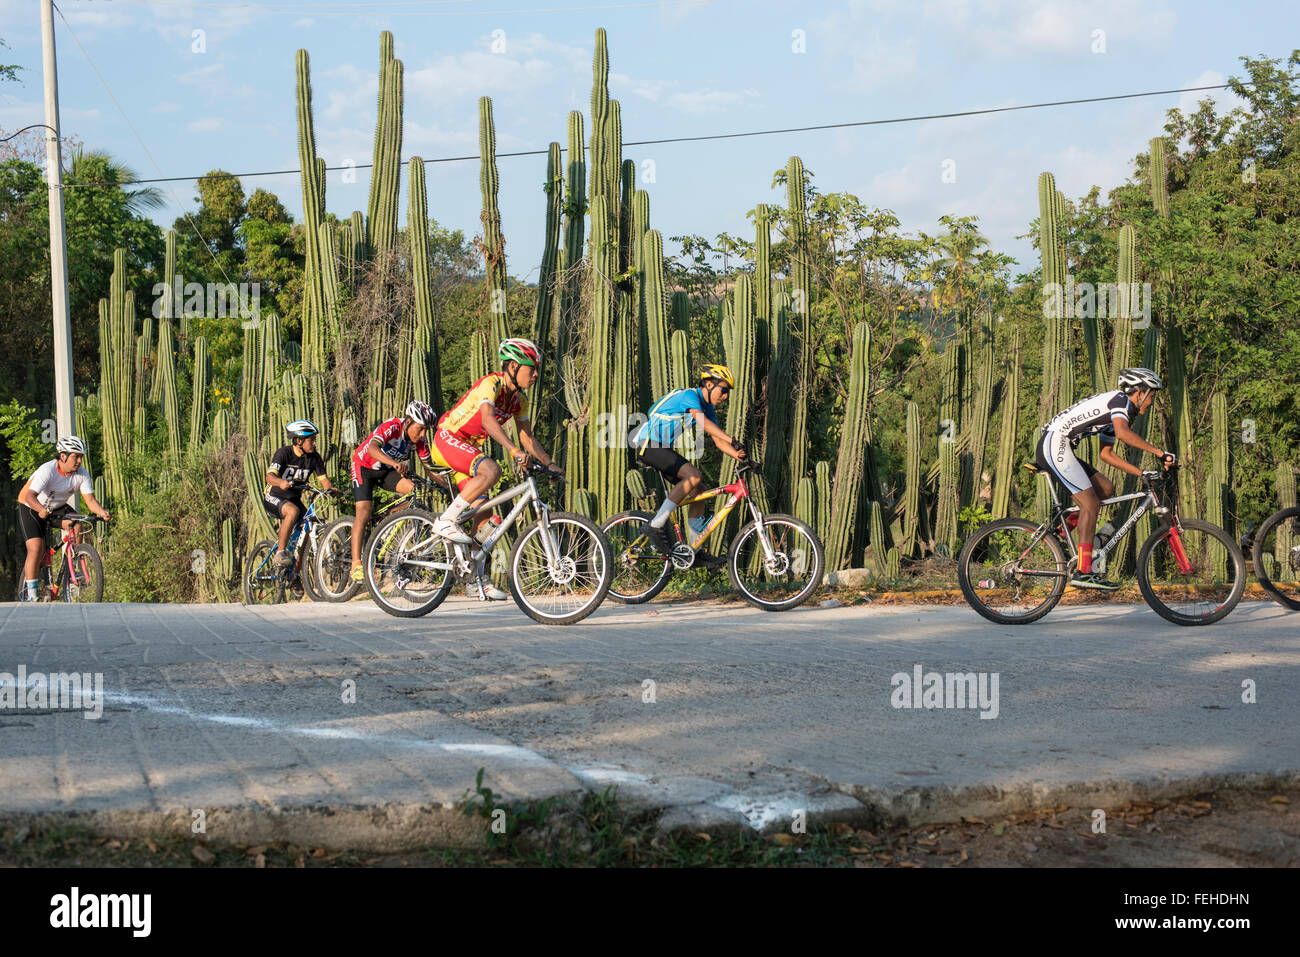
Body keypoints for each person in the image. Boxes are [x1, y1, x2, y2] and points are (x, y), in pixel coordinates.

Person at [429, 337, 561, 601]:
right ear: (513, 366)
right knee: (491, 471)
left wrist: (548, 462)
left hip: (467, 452)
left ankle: (474, 578)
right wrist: (512, 450)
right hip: (448, 439)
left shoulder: (519, 400)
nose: (536, 374)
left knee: (486, 519)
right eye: (531, 368)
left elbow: (527, 437)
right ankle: (445, 521)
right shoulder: (491, 384)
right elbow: (488, 420)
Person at [1036, 367, 1176, 590]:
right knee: (1090, 503)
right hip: (1055, 443)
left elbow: (1106, 453)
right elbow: (1123, 434)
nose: (1151, 402)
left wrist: (1141, 473)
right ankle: (1084, 571)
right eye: (1152, 396)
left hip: (1060, 446)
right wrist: (1160, 453)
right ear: (1140, 392)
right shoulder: (1120, 400)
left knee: (1105, 489)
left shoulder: (1119, 413)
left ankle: (1063, 534)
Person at [631, 364, 747, 565]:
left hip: (662, 447)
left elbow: (717, 439)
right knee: (693, 476)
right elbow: (702, 422)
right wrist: (732, 439)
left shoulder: (707, 407)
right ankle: (655, 525)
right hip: (648, 444)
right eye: (724, 390)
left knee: (699, 493)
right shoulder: (689, 396)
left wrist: (739, 455)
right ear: (709, 384)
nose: (726, 396)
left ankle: (696, 549)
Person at [349, 400, 436, 583]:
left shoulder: (420, 441)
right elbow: (372, 448)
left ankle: (387, 520)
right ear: (408, 422)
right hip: (364, 466)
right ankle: (356, 564)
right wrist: (394, 463)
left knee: (413, 490)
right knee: (363, 511)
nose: (422, 434)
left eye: (426, 430)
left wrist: (445, 485)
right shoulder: (392, 427)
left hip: (385, 471)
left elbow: (429, 468)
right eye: (420, 429)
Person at [17, 435, 111, 601]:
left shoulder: (82, 474)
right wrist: (40, 510)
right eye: (76, 456)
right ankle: (31, 594)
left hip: (55, 507)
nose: (79, 461)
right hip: (31, 506)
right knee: (36, 547)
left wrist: (102, 512)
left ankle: (74, 563)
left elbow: (90, 501)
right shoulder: (48, 470)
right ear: (63, 456)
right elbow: (30, 496)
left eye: (81, 456)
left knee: (76, 524)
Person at [264, 420, 339, 573]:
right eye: (311, 440)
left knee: (309, 524)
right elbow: (269, 477)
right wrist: (281, 482)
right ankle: (280, 552)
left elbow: (324, 480)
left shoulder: (314, 458)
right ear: (299, 441)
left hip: (293, 499)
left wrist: (331, 489)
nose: (315, 443)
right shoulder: (283, 453)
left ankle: (294, 574)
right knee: (292, 511)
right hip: (274, 496)